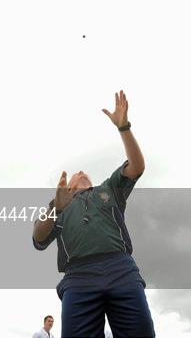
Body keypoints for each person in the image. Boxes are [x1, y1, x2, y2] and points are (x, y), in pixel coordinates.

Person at [33, 90, 155, 337]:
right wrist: (56, 208)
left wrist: (124, 128)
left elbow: (137, 166)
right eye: (77, 172)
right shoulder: (59, 203)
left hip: (120, 267)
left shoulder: (109, 188)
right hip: (78, 275)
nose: (81, 171)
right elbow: (38, 239)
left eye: (84, 172)